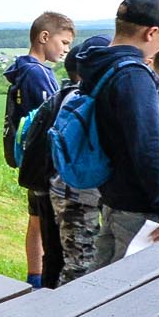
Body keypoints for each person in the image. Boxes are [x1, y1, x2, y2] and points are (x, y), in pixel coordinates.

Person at [79, 0, 159, 270]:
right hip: (140, 205)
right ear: (151, 33)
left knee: (101, 281)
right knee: (133, 291)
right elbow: (148, 145)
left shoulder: (103, 63)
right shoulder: (132, 74)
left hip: (117, 196)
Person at [6, 11, 74, 286]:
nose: (66, 50)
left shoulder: (23, 69)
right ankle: (45, 279)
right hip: (42, 162)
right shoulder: (38, 75)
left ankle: (34, 277)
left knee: (35, 220)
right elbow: (51, 119)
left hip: (29, 162)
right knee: (46, 223)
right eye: (64, 42)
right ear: (45, 37)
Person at [51, 35, 110, 283]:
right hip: (77, 194)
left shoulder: (70, 95)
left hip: (72, 191)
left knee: (81, 262)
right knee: (79, 266)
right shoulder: (85, 100)